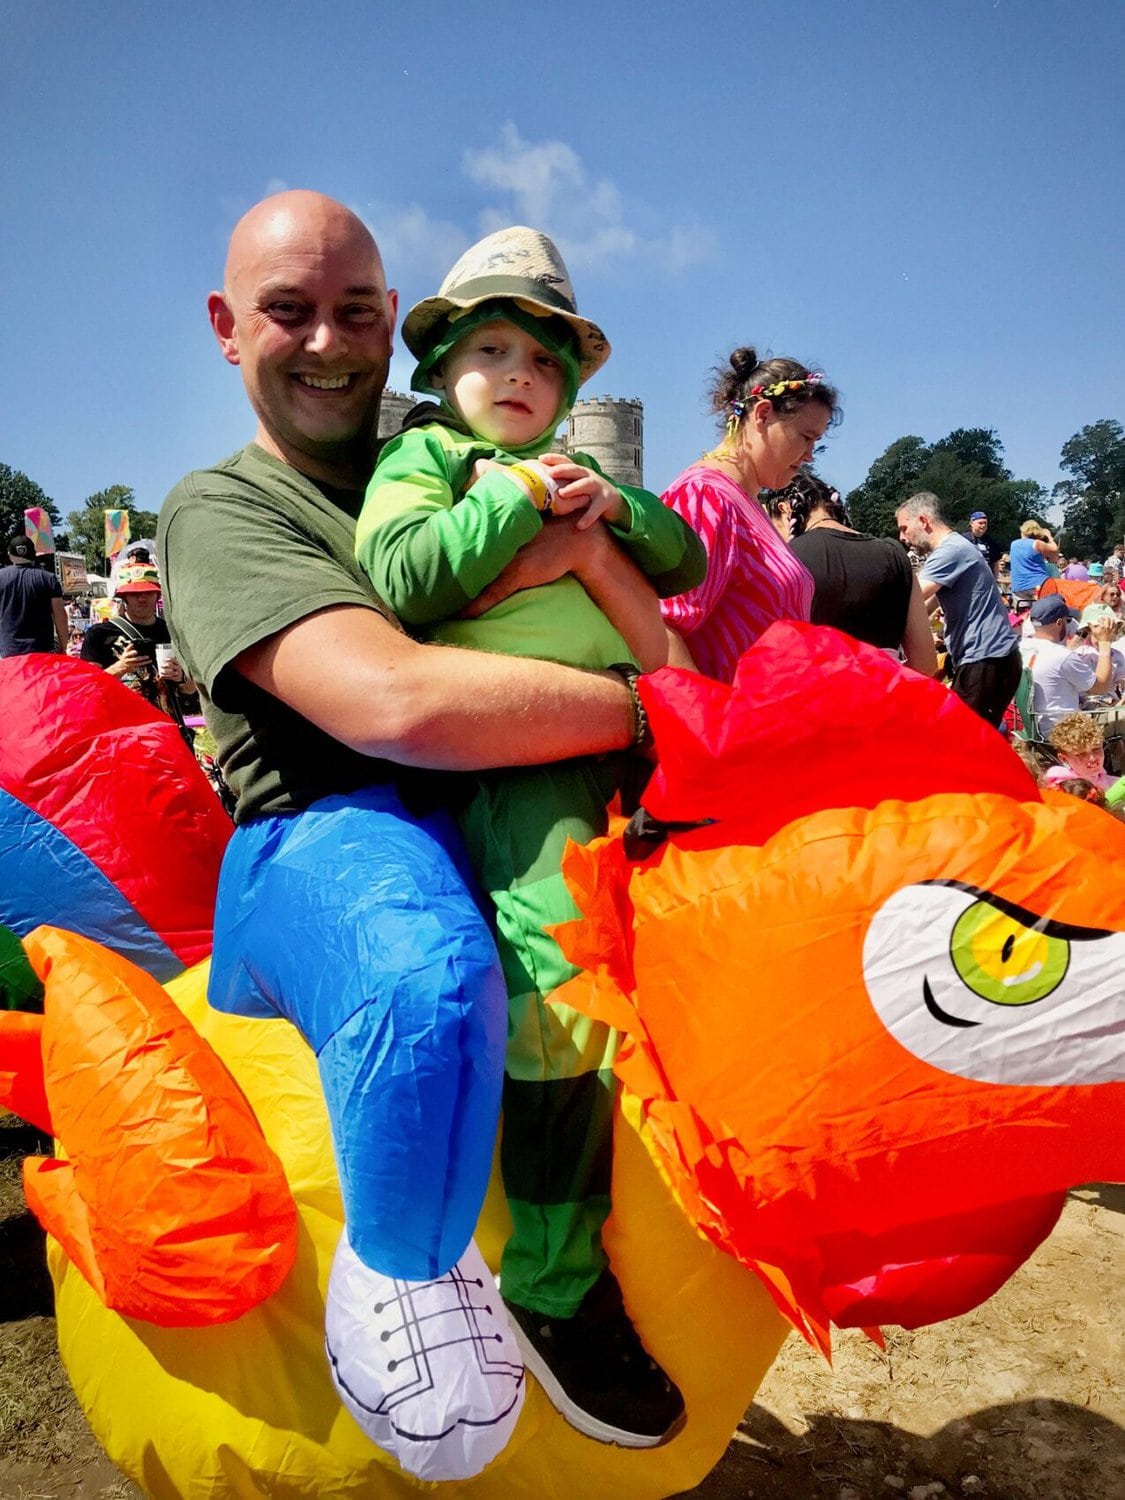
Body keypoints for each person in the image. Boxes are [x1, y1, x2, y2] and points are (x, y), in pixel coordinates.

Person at [156, 191, 679, 1451]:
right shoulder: (224, 508)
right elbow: (395, 705)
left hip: (512, 806)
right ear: (229, 328)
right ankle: (408, 1283)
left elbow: (663, 582)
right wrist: (657, 713)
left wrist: (600, 557)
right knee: (430, 969)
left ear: (393, 326)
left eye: (352, 313)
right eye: (290, 313)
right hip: (328, 826)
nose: (329, 344)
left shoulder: (465, 461)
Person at [354, 225, 703, 1443]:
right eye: (491, 349)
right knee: (563, 976)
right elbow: (399, 578)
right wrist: (509, 498)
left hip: (630, 751)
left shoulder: (574, 469)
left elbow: (685, 554)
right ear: (443, 364)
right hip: (518, 763)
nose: (518, 376)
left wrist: (613, 510)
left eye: (543, 364)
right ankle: (553, 1280)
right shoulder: (430, 463)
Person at [660, 348, 837, 681]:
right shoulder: (706, 495)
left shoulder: (742, 500)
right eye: (806, 437)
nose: (810, 455)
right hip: (731, 723)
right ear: (763, 414)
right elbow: (662, 630)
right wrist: (710, 726)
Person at [778, 473, 936, 675]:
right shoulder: (895, 554)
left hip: (819, 701)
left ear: (784, 509)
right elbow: (926, 663)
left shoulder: (788, 558)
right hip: (886, 700)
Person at [895, 492, 1021, 728]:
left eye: (904, 528)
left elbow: (910, 594)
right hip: (990, 659)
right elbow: (925, 605)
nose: (902, 537)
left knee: (965, 739)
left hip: (985, 659)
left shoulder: (950, 551)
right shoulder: (957, 548)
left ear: (923, 521)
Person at [81, 561, 199, 734]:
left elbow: (191, 688)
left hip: (167, 730)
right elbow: (87, 688)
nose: (142, 598)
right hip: (120, 731)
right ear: (124, 597)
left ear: (158, 595)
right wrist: (120, 668)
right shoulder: (99, 633)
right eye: (135, 593)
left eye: (148, 592)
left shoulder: (173, 632)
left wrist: (180, 677)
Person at [1017, 594, 1116, 735]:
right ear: (1059, 623)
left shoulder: (1021, 649)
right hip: (1064, 732)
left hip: (1034, 730)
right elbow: (1100, 687)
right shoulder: (1062, 656)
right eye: (1067, 620)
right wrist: (1105, 642)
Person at [0, 534, 66, 657]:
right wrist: (63, 646)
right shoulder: (48, 578)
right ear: (34, 554)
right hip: (42, 651)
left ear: (10, 555)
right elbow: (60, 616)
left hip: (8, 652)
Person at [1042, 712, 1116, 791]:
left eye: (1096, 749)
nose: (1093, 758)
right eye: (1081, 754)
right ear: (1063, 758)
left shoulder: (1108, 780)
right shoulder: (1061, 788)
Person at [1008, 520, 1059, 601]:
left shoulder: (1013, 544)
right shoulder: (1037, 543)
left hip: (1018, 586)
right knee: (1043, 612)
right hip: (1037, 584)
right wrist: (1049, 537)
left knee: (1023, 613)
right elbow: (1054, 549)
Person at [965, 511, 1005, 580]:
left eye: (985, 523)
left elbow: (995, 562)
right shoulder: (963, 540)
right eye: (980, 523)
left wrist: (995, 580)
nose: (983, 525)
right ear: (971, 523)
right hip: (968, 580)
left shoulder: (990, 541)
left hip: (986, 581)